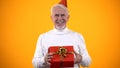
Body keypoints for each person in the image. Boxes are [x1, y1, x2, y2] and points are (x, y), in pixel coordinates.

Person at [32, 0, 91, 68]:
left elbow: (88, 62)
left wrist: (81, 59)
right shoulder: (43, 37)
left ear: (68, 17)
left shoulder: (78, 36)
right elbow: (35, 62)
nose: (60, 18)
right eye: (56, 15)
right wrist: (43, 60)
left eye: (63, 15)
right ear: (51, 18)